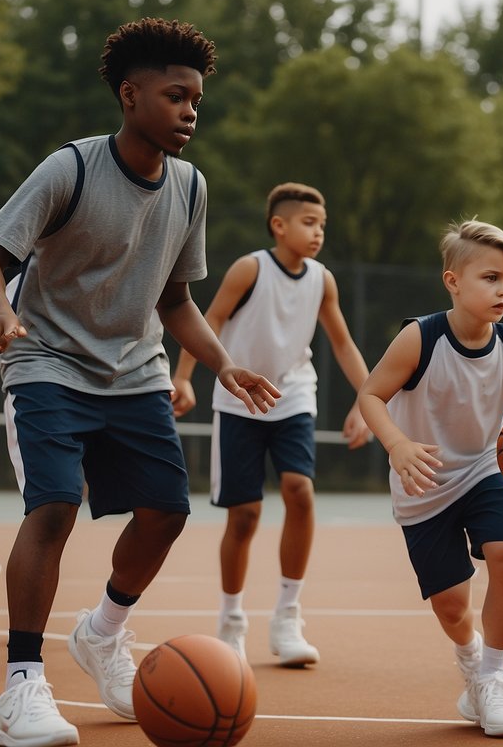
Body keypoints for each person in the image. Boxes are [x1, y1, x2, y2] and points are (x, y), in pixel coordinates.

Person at [0, 18, 281, 747]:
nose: (191, 111)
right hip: (46, 361)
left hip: (134, 371)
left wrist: (224, 362)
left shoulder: (191, 187)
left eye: (197, 99)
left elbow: (175, 300)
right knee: (53, 508)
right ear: (131, 96)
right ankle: (20, 688)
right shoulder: (69, 168)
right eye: (176, 96)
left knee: (167, 510)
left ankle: (103, 632)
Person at [359, 219, 503, 738]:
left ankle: (495, 677)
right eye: (490, 277)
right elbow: (370, 395)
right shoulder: (420, 338)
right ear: (452, 281)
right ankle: (471, 660)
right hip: (426, 480)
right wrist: (398, 444)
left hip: (488, 467)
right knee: (454, 605)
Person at [169, 182, 370, 667]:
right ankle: (232, 620)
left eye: (322, 225)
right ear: (279, 226)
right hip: (240, 399)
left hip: (293, 394)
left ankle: (287, 616)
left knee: (300, 490)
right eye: (308, 223)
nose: (318, 232)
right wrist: (183, 377)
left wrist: (368, 400)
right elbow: (209, 318)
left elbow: (342, 344)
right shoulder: (250, 268)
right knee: (246, 515)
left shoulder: (322, 279)